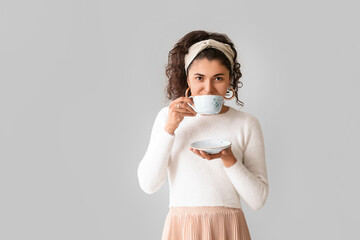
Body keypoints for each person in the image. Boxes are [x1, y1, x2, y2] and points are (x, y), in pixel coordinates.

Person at [137, 30, 269, 240]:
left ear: (229, 81)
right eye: (199, 78)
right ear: (187, 78)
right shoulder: (168, 117)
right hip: (182, 229)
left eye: (218, 78)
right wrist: (170, 129)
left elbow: (258, 200)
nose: (208, 89)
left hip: (228, 229)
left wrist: (229, 159)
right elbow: (148, 184)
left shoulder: (247, 123)